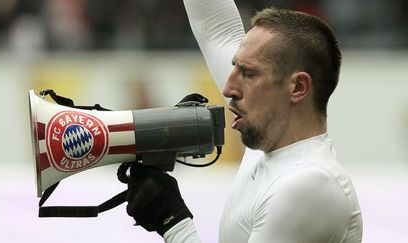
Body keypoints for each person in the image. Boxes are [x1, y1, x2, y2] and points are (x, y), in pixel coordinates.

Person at [125, 0, 363, 242]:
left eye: (248, 73)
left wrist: (173, 223)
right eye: (234, 67)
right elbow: (216, 28)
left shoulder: (310, 183)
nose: (228, 88)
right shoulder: (271, 149)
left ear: (298, 87)